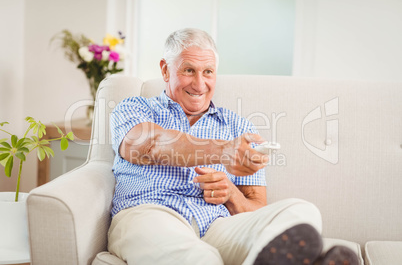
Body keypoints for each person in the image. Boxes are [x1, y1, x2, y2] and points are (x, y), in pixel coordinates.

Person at [108, 28, 358, 265]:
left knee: (302, 212)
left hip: (218, 226)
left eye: (208, 72)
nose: (199, 83)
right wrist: (223, 151)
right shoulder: (135, 108)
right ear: (165, 70)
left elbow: (256, 206)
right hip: (149, 214)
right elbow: (147, 145)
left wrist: (231, 195)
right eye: (188, 70)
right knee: (199, 259)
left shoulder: (239, 127)